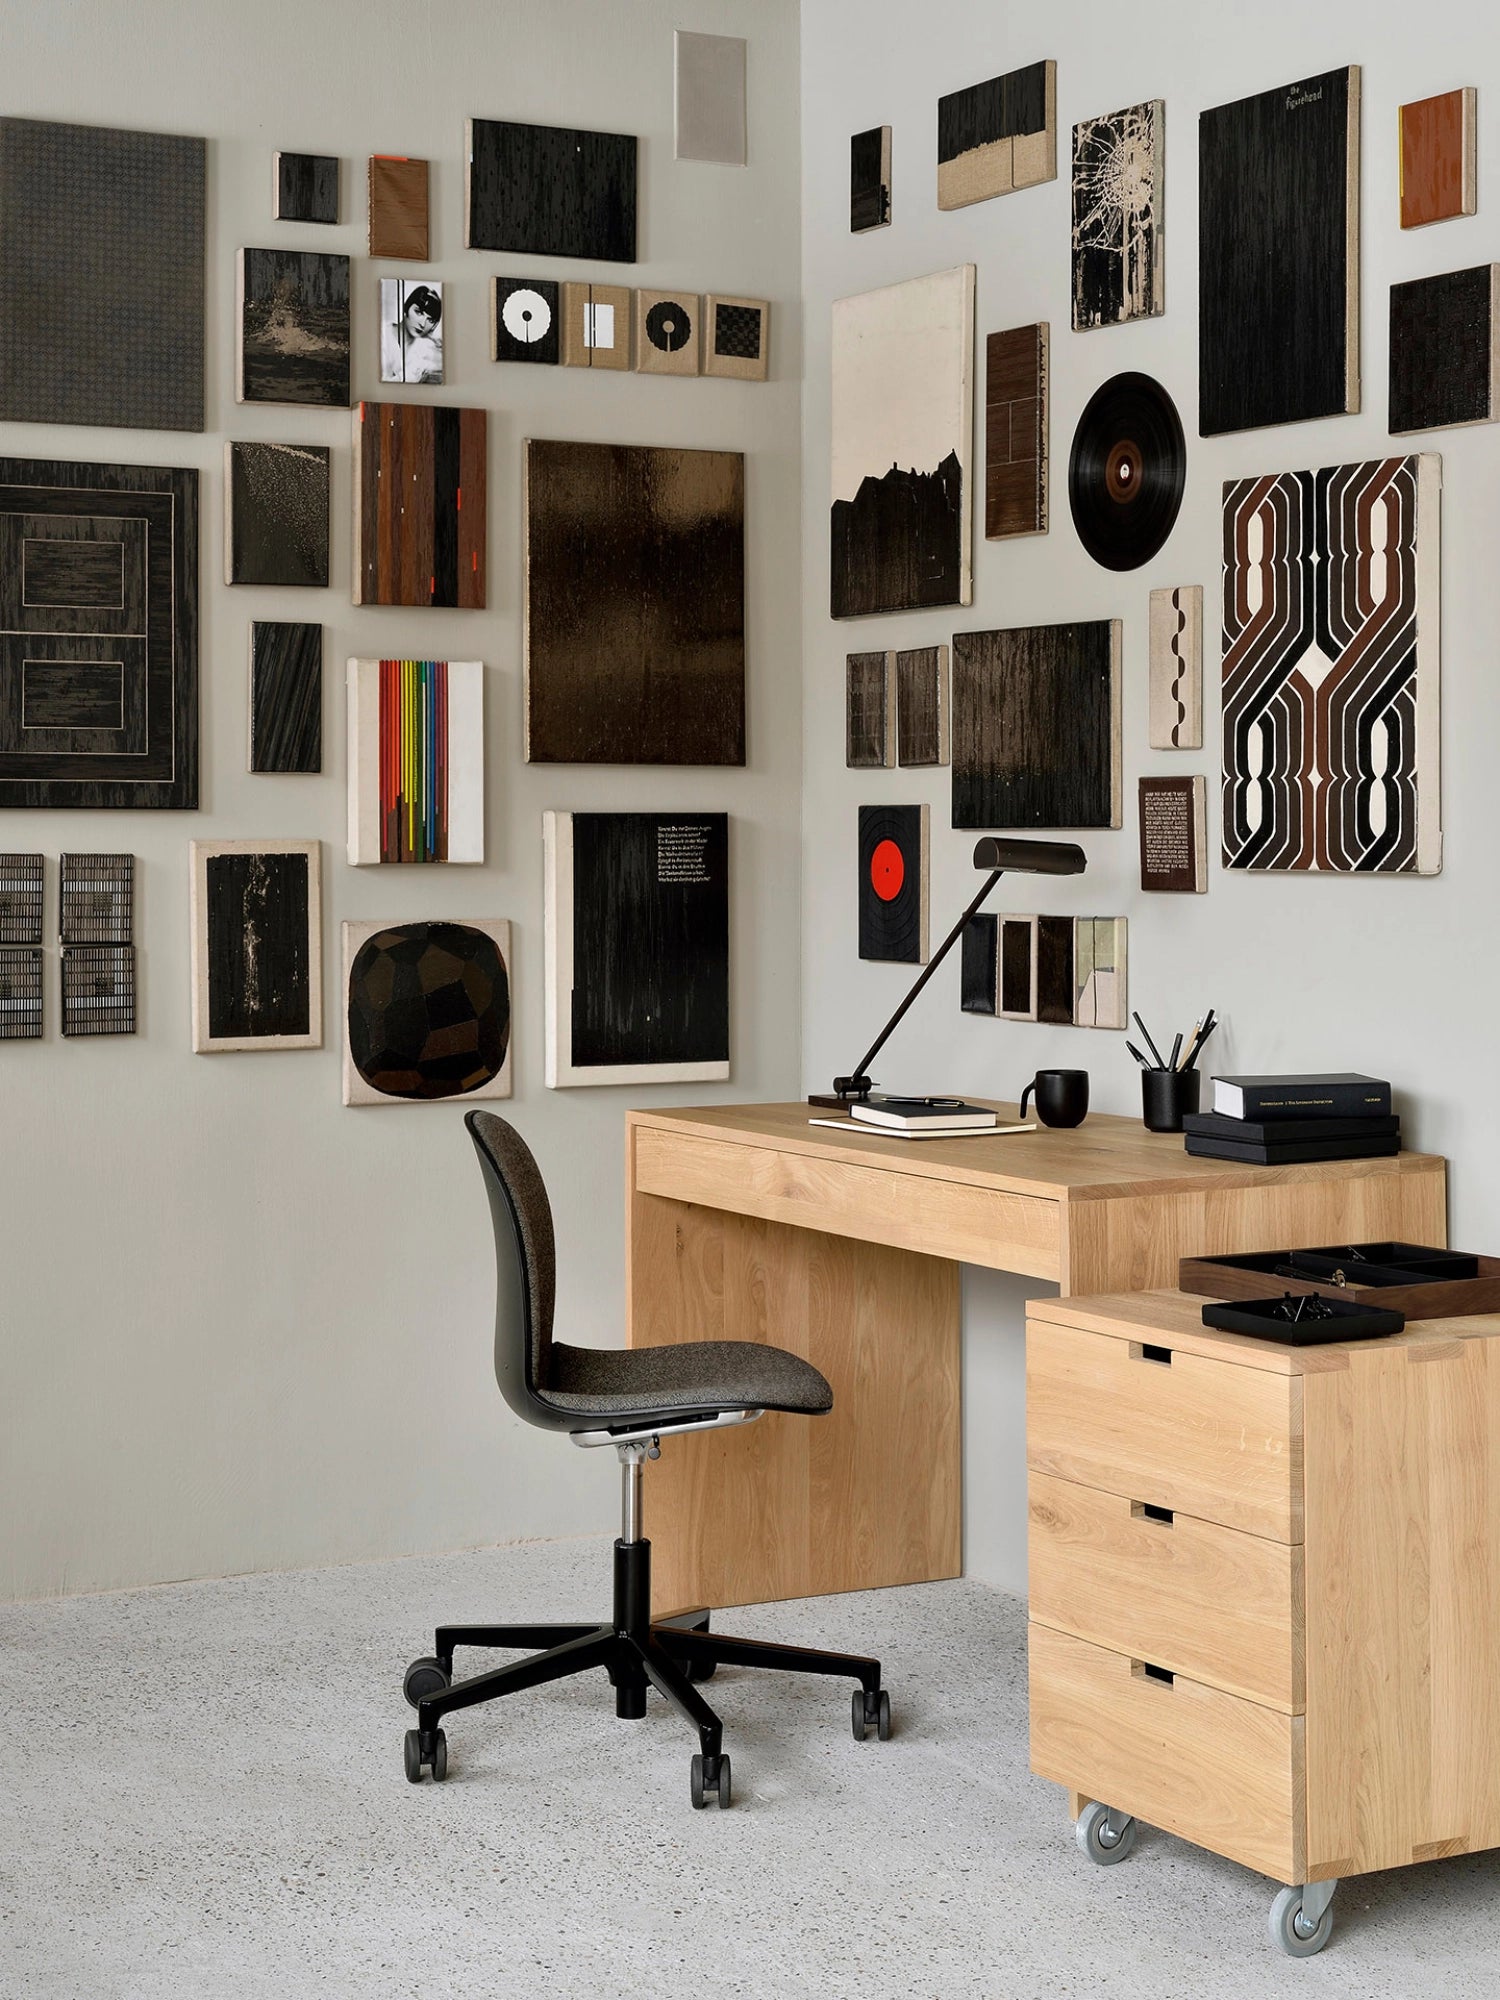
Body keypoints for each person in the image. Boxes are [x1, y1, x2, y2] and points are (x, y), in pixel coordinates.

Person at [381, 283, 442, 384]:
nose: (423, 324)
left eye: (430, 320)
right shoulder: (382, 335)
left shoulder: (426, 350)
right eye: (418, 312)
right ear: (407, 308)